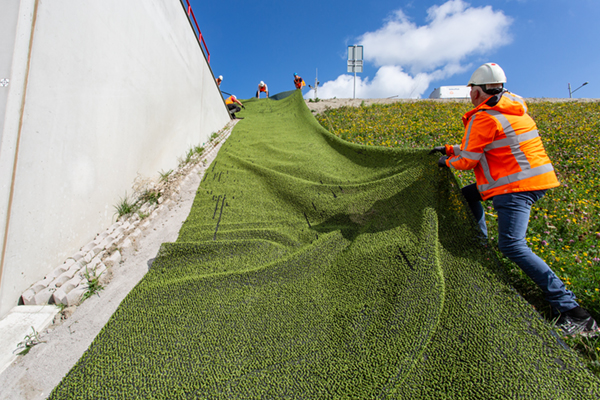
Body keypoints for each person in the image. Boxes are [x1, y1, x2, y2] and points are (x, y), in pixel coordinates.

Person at [430, 62, 599, 337]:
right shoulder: (509, 109)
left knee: (511, 245)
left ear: (477, 91)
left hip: (514, 187)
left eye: (471, 88)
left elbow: (469, 160)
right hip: (528, 181)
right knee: (467, 196)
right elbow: (484, 145)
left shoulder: (484, 117)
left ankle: (575, 314)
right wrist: (451, 148)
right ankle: (479, 242)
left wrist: (446, 160)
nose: (469, 93)